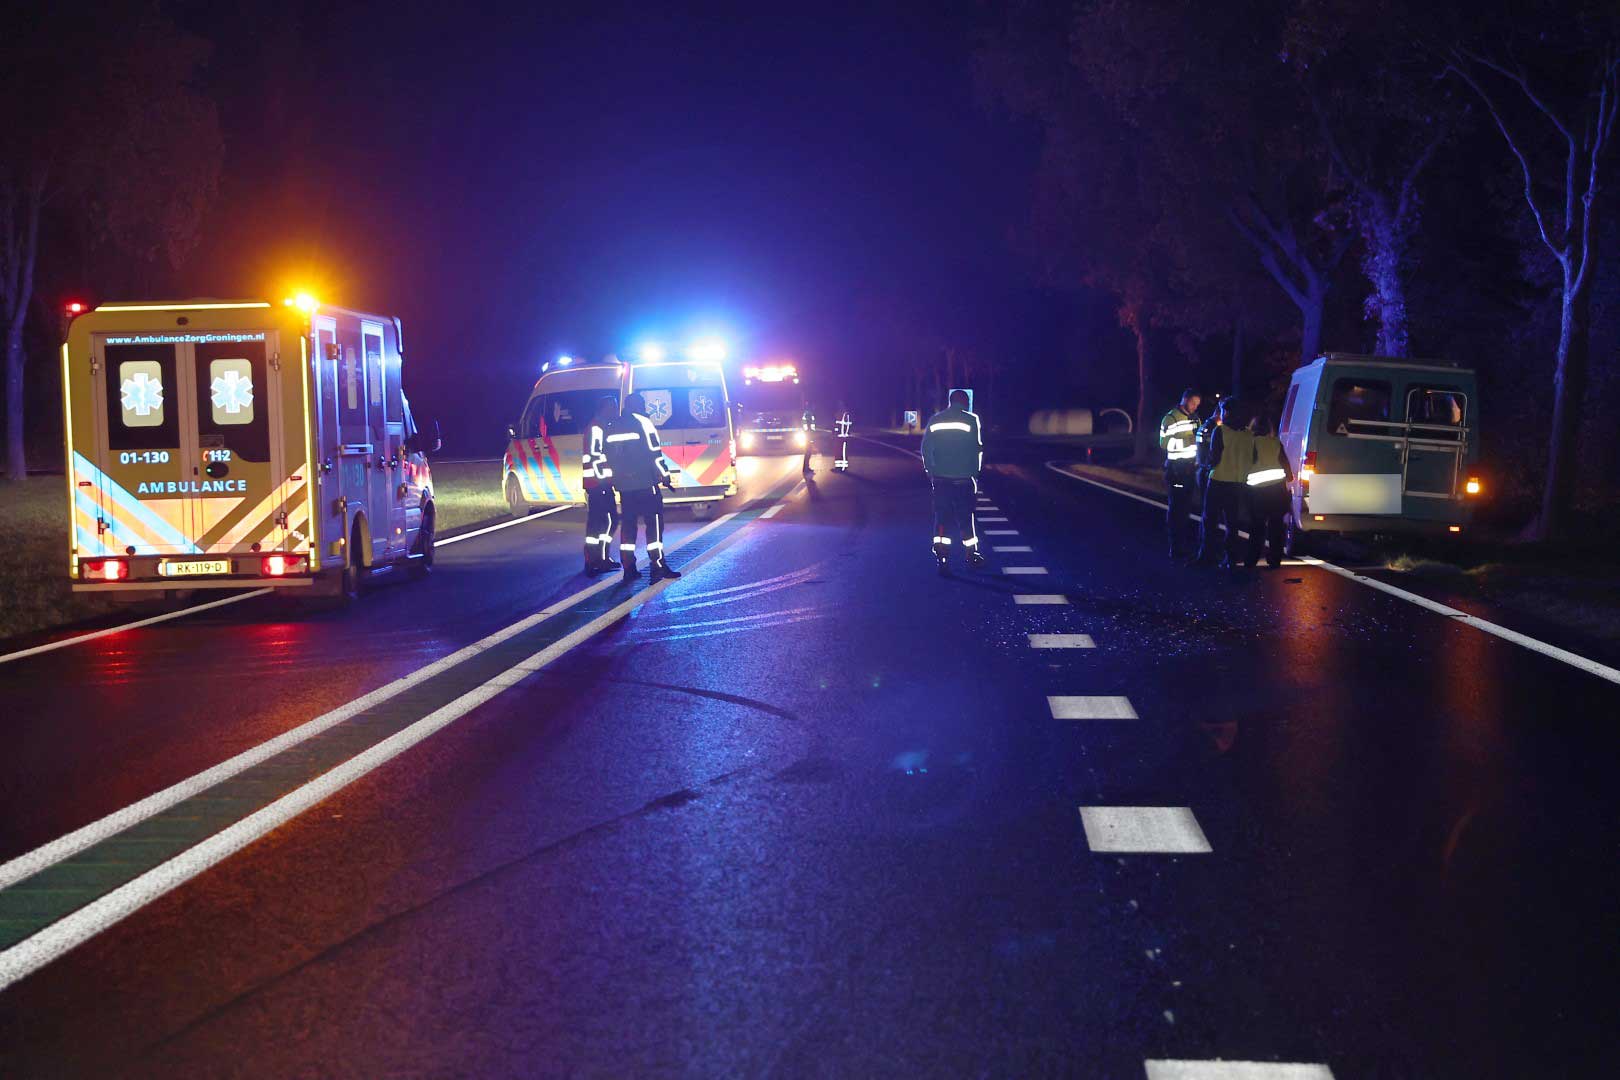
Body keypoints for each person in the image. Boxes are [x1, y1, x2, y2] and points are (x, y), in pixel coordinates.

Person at [603, 392, 681, 582]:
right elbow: (655, 454)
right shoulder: (644, 423)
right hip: (646, 484)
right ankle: (658, 565)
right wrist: (665, 476)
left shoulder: (612, 426)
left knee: (628, 527)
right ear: (637, 405)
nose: (645, 407)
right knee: (653, 525)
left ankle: (629, 568)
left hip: (625, 487)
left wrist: (619, 477)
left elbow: (608, 456)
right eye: (642, 403)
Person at [921, 389, 985, 575]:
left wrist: (930, 470)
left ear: (950, 401)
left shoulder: (935, 420)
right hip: (964, 479)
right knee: (966, 518)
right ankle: (971, 554)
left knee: (942, 518)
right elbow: (976, 449)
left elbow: (926, 448)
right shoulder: (972, 420)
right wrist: (975, 473)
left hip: (941, 479)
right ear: (964, 402)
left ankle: (942, 556)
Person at [1198, 398, 1254, 570]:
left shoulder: (1220, 431)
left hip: (1218, 481)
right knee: (1232, 523)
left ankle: (1207, 556)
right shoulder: (1248, 434)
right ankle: (1230, 558)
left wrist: (1205, 466)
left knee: (1210, 521)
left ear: (1227, 412)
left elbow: (1214, 457)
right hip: (1237, 484)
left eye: (1222, 410)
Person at [1157, 388, 1202, 559]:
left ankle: (1183, 544)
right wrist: (1186, 441)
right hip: (1176, 469)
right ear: (1184, 399)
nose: (1195, 407)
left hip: (1191, 469)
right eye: (1192, 403)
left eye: (1197, 404)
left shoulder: (1196, 418)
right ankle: (1175, 546)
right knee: (1176, 508)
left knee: (1185, 508)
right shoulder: (1171, 418)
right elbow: (1163, 443)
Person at [1244, 412, 1291, 568]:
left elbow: (1245, 466)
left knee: (1257, 527)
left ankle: (1251, 560)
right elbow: (1287, 468)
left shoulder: (1251, 442)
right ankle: (1275, 560)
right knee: (1276, 527)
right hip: (1277, 491)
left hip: (1257, 492)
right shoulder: (1276, 443)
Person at [580, 396, 621, 575]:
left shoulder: (601, 427)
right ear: (604, 408)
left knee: (603, 521)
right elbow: (595, 456)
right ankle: (595, 559)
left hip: (598, 483)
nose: (615, 411)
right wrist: (605, 479)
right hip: (598, 483)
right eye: (612, 407)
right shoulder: (597, 428)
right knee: (605, 521)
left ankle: (600, 558)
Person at [833, 403, 852, 472]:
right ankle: (839, 467)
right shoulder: (839, 414)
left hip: (842, 437)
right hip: (839, 436)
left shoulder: (845, 415)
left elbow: (847, 425)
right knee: (838, 452)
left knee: (843, 452)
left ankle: (843, 467)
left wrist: (845, 434)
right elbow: (836, 425)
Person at [801, 400, 816, 475]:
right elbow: (808, 426)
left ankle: (806, 467)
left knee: (808, 452)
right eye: (813, 406)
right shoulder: (808, 414)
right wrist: (810, 435)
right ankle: (806, 468)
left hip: (808, 435)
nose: (814, 407)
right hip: (808, 435)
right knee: (808, 452)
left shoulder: (808, 413)